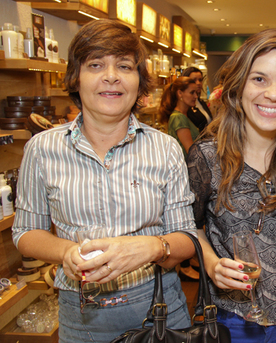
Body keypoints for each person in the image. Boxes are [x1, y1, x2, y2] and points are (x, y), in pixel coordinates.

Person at [12, 19, 197, 343]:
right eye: (95, 64)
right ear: (76, 77)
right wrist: (67, 252)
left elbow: (186, 236)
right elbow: (26, 232)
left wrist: (151, 247)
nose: (111, 76)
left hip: (161, 313)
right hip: (82, 320)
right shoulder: (42, 149)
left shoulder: (164, 148)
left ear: (139, 83)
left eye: (124, 66)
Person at [187, 28, 276, 343]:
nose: (274, 94)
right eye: (259, 79)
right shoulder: (207, 156)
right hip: (229, 320)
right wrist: (210, 263)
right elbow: (189, 227)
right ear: (237, 86)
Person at [158, 76, 200, 157]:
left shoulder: (183, 115)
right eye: (192, 92)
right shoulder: (179, 117)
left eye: (196, 93)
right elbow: (191, 151)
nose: (196, 96)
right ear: (180, 93)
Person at [182, 66, 213, 132]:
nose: (198, 83)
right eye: (194, 80)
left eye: (200, 80)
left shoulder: (201, 102)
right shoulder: (185, 106)